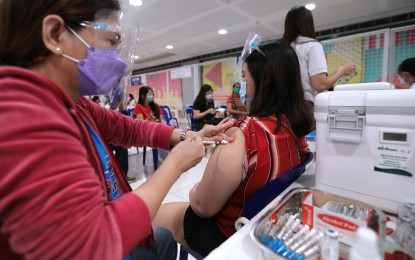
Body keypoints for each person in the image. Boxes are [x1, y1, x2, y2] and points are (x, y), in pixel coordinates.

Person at [0, 0, 233, 259]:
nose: (116, 60)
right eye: (111, 40)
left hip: (123, 236)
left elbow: (127, 128)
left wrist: (183, 136)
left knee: (164, 237)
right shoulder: (24, 114)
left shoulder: (76, 105)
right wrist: (174, 165)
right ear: (55, 33)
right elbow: (94, 242)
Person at [153, 39, 314, 257]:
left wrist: (194, 189)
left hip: (226, 234)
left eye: (245, 76)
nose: (242, 85)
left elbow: (202, 206)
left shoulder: (242, 135)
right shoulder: (297, 130)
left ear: (262, 81)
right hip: (264, 223)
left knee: (149, 220)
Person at [282, 6, 356, 114]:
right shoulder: (312, 46)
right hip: (303, 107)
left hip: (282, 107)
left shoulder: (283, 48)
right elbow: (320, 84)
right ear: (308, 24)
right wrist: (342, 71)